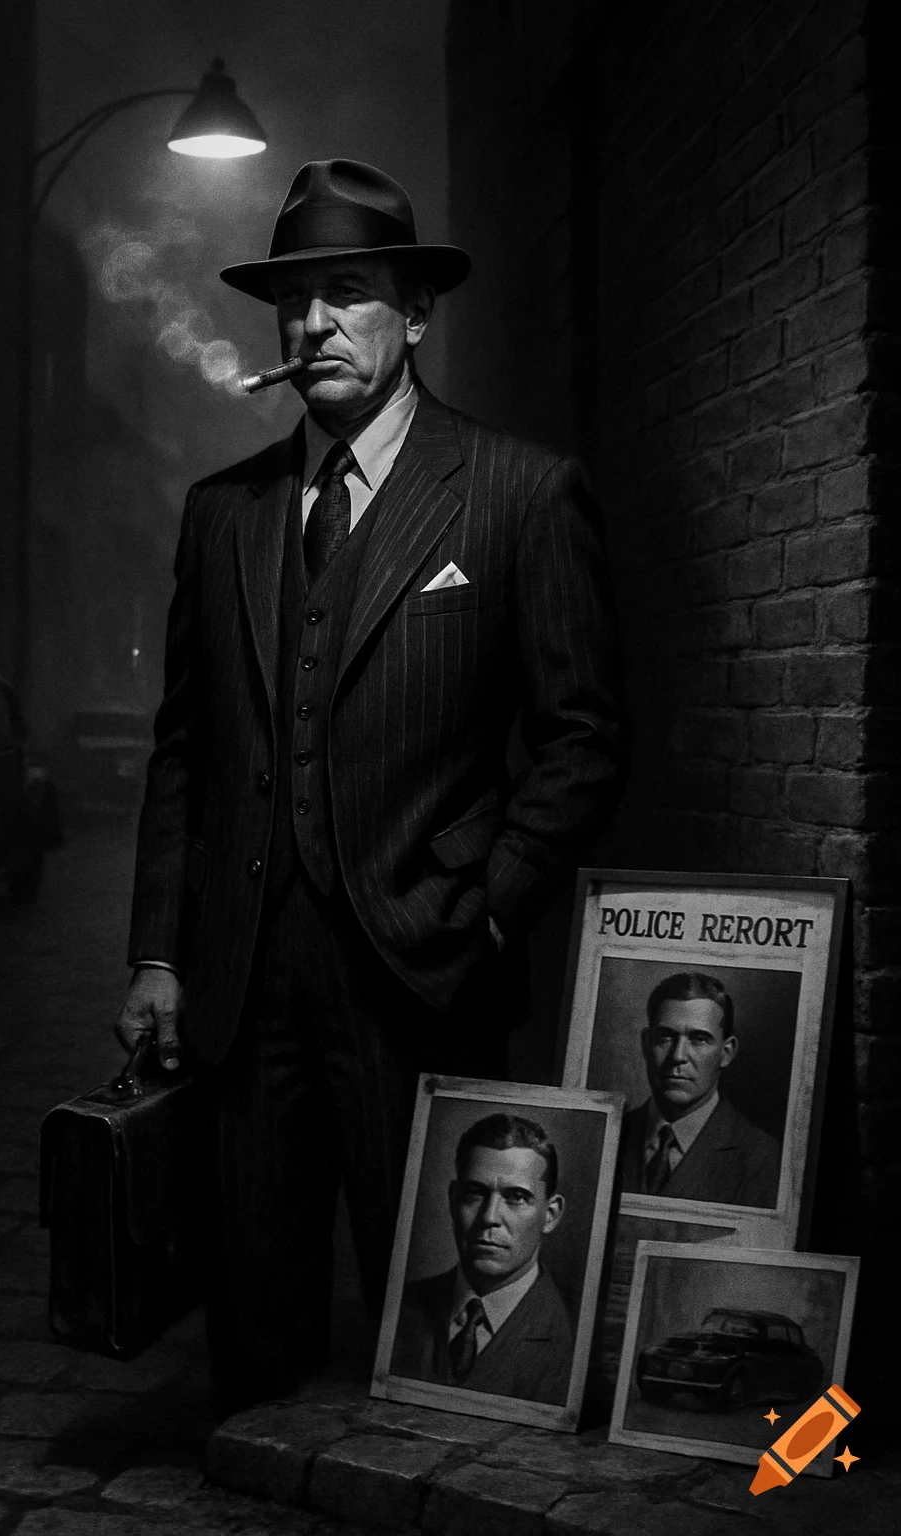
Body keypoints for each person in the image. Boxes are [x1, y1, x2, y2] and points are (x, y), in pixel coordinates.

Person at [116, 159, 625, 1413]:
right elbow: (184, 749)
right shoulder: (224, 512)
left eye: (347, 293)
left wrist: (492, 906)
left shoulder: (517, 491)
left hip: (424, 971)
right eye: (293, 302)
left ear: (417, 314)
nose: (313, 325)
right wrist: (160, 952)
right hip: (244, 980)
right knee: (254, 1336)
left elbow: (583, 737)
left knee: (437, 1339)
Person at [391, 1113, 573, 1403]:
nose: (489, 1217)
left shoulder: (574, 1336)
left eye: (516, 1197)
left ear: (550, 1215)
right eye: (475, 1193)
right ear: (453, 1200)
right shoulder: (399, 1308)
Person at [619, 972, 781, 1207]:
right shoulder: (609, 1136)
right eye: (665, 1037)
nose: (678, 1056)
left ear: (726, 1053)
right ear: (645, 1044)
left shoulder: (762, 1158)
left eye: (699, 1039)